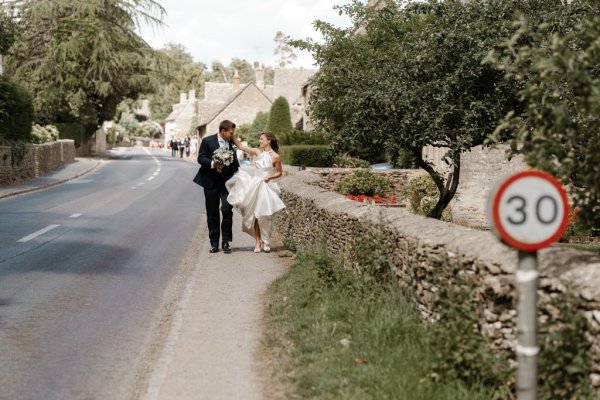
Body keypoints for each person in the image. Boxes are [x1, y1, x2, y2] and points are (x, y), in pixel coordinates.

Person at [226, 131, 285, 253]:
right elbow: (241, 146)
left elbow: (279, 172)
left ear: (269, 140)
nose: (260, 141)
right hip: (255, 185)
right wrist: (232, 135)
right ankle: (258, 242)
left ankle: (266, 241)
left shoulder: (275, 156)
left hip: (266, 187)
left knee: (265, 216)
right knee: (256, 216)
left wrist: (270, 177)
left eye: (262, 139)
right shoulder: (258, 152)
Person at [193, 120, 239, 254]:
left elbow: (235, 162)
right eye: (231, 132)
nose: (232, 135)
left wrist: (239, 174)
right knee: (212, 213)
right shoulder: (208, 141)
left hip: (226, 183)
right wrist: (213, 163)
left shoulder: (231, 144)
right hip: (210, 182)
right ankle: (214, 243)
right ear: (223, 131)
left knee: (226, 210)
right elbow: (200, 158)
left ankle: (226, 241)